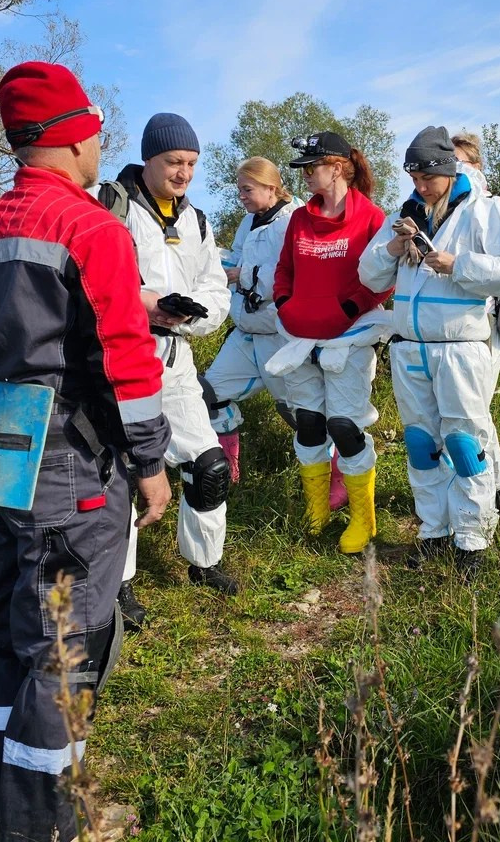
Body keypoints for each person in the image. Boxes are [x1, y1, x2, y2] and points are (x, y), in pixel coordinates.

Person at [0, 61, 172, 842]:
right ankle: (42, 827)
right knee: (63, 649)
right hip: (69, 466)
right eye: (96, 131)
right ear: (75, 139)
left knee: (7, 636)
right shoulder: (92, 228)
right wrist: (151, 463)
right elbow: (127, 361)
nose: (101, 144)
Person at [359, 126, 500, 581]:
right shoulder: (405, 215)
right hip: (410, 348)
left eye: (427, 178)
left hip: (461, 348)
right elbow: (368, 276)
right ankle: (434, 531)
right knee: (421, 444)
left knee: (465, 444)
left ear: (449, 170)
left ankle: (472, 539)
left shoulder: (485, 211)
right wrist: (393, 248)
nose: (420, 187)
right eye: (414, 178)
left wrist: (460, 265)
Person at [110, 113, 237, 619]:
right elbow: (94, 281)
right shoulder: (111, 206)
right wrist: (147, 306)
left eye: (191, 163)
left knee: (209, 465)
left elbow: (216, 290)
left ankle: (204, 562)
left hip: (176, 356)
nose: (183, 173)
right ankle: (117, 584)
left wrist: (191, 316)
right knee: (120, 475)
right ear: (148, 158)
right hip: (120, 355)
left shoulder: (197, 221)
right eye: (173, 162)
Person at [203, 157, 349, 507]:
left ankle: (340, 473)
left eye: (247, 189)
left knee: (303, 415)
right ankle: (228, 472)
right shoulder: (249, 221)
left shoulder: (295, 219)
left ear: (270, 186)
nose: (241, 196)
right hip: (246, 333)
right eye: (239, 190)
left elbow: (298, 269)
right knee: (209, 394)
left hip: (281, 336)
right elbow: (237, 258)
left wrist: (244, 274)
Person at [275, 131, 393, 553]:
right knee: (309, 422)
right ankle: (317, 511)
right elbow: (284, 269)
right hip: (299, 334)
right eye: (304, 169)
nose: (305, 175)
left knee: (344, 425)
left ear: (338, 168)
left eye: (312, 167)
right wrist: (284, 302)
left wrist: (350, 307)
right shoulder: (299, 218)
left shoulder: (372, 218)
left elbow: (383, 277)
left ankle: (364, 519)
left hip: (349, 336)